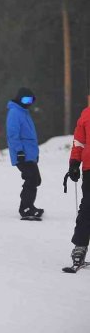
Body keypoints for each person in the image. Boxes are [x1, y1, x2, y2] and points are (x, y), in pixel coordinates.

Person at [6, 87, 44, 220]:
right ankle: (26, 207)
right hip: (22, 154)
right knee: (31, 178)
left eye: (30, 100)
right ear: (19, 98)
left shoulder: (24, 112)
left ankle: (28, 205)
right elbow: (13, 135)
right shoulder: (15, 113)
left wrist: (34, 154)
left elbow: (30, 136)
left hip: (29, 154)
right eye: (25, 99)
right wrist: (19, 151)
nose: (27, 102)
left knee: (35, 179)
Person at [66, 105, 90, 266]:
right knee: (88, 207)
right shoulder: (87, 114)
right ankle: (80, 246)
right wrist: (74, 163)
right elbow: (79, 142)